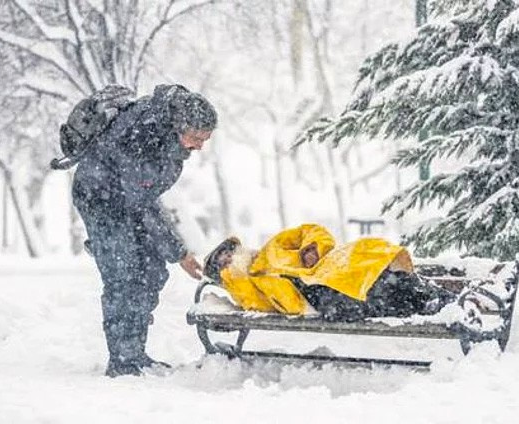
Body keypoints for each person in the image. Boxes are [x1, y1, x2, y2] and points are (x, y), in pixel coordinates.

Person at [72, 84, 217, 377]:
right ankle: (122, 361)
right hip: (101, 199)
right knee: (123, 276)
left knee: (150, 270)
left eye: (206, 138)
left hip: (128, 198)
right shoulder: (144, 136)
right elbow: (144, 204)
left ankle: (135, 353)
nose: (201, 145)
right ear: (181, 126)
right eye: (198, 138)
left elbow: (143, 199)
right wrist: (179, 253)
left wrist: (170, 253)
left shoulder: (168, 131)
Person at [204, 224, 456, 321]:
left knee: (374, 264)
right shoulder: (247, 287)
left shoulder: (274, 246)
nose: (228, 259)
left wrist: (312, 248)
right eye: (222, 262)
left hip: (329, 267)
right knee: (368, 298)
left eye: (228, 252)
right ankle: (438, 305)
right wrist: (233, 277)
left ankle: (445, 300)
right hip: (317, 297)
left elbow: (312, 230)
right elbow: (273, 305)